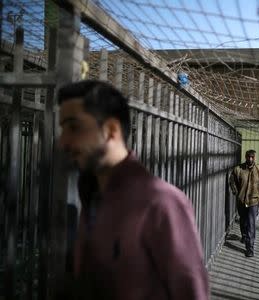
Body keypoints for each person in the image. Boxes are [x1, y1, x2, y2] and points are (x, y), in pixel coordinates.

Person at [57, 80, 209, 299]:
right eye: (63, 129)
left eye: (74, 127)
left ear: (111, 130)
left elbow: (191, 293)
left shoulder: (162, 203)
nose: (63, 141)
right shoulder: (91, 194)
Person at [229, 149, 259, 257]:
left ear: (254, 158)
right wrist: (235, 191)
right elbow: (232, 180)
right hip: (241, 201)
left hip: (253, 201)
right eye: (248, 157)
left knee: (251, 224)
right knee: (243, 221)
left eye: (252, 157)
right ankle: (244, 236)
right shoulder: (239, 169)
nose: (250, 159)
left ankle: (250, 248)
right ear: (245, 157)